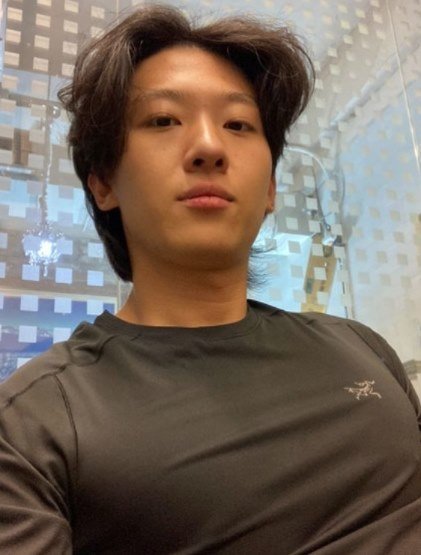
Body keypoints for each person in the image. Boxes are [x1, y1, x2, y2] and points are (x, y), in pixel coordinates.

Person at [0, 4, 420, 554]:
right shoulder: (35, 421)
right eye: (163, 120)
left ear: (270, 190)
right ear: (103, 183)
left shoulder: (361, 347)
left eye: (238, 125)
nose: (209, 147)